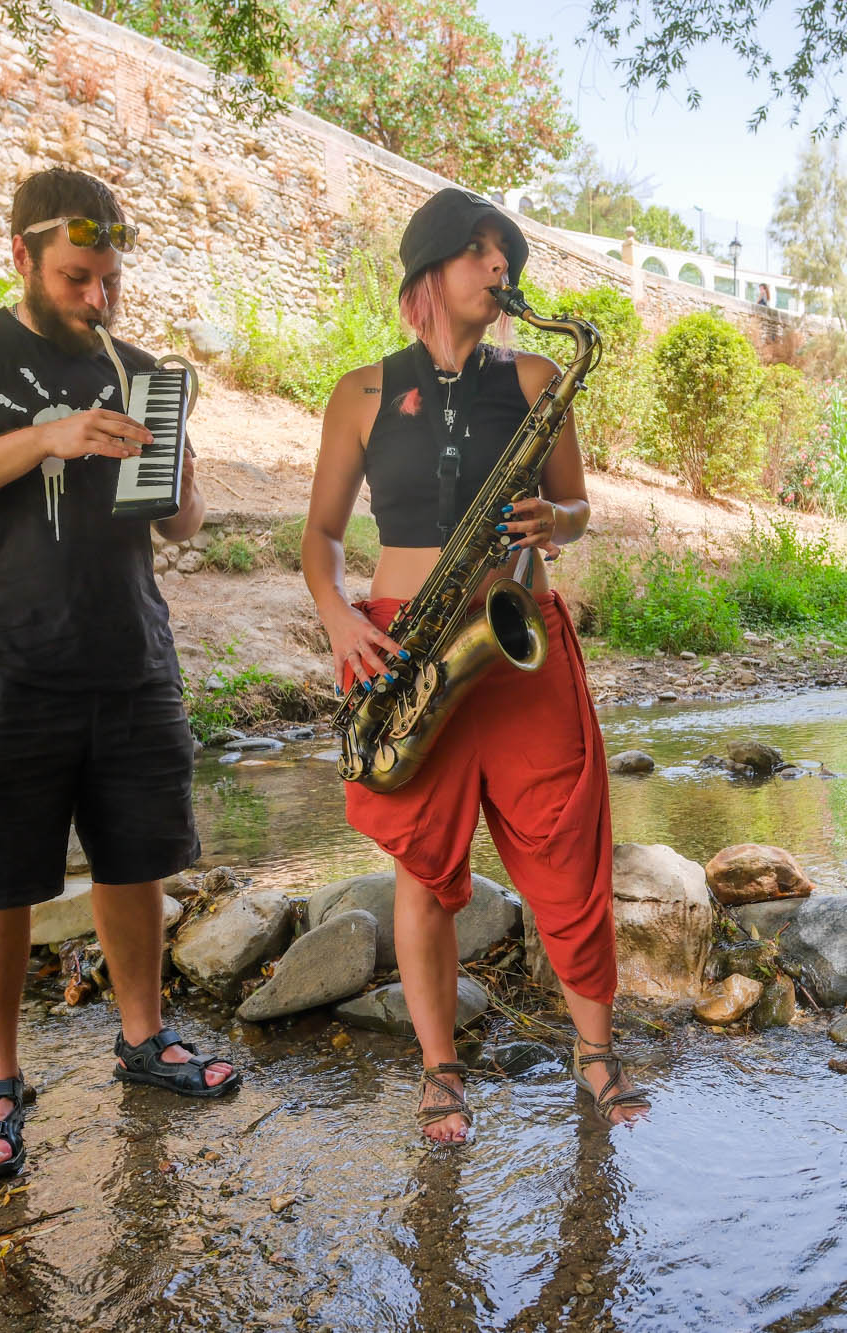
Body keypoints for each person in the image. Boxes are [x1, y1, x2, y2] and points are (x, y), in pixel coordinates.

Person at [0, 167, 239, 1184]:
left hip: (130, 656)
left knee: (135, 860)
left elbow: (181, 523)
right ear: (22, 259)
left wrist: (184, 482)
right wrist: (49, 436)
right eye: (77, 277)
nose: (97, 298)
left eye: (109, 279)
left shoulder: (135, 367)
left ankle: (144, 1038)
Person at [301, 187, 648, 1143]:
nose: (503, 271)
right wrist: (336, 614)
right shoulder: (361, 391)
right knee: (423, 863)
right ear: (430, 267)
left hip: (515, 633)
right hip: (406, 642)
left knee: (569, 850)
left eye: (509, 257)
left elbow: (576, 510)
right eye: (481, 254)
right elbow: (322, 535)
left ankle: (595, 1055)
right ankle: (441, 1069)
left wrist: (556, 522)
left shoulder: (538, 377)